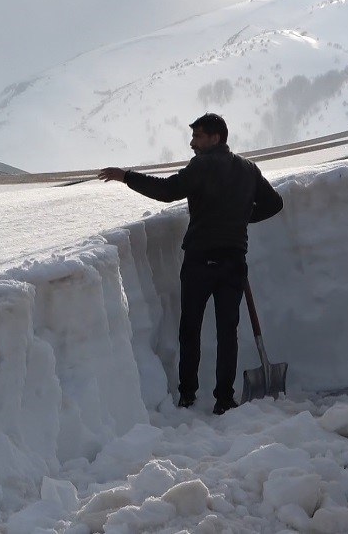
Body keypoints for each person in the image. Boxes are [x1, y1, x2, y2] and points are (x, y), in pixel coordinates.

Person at [98, 113, 283, 415]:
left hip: (201, 259)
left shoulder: (203, 165)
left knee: (190, 328)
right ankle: (224, 398)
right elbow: (274, 203)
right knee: (228, 330)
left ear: (215, 138)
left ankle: (188, 394)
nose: (192, 143)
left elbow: (168, 190)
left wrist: (126, 176)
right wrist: (240, 218)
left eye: (197, 136)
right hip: (234, 261)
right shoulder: (248, 169)